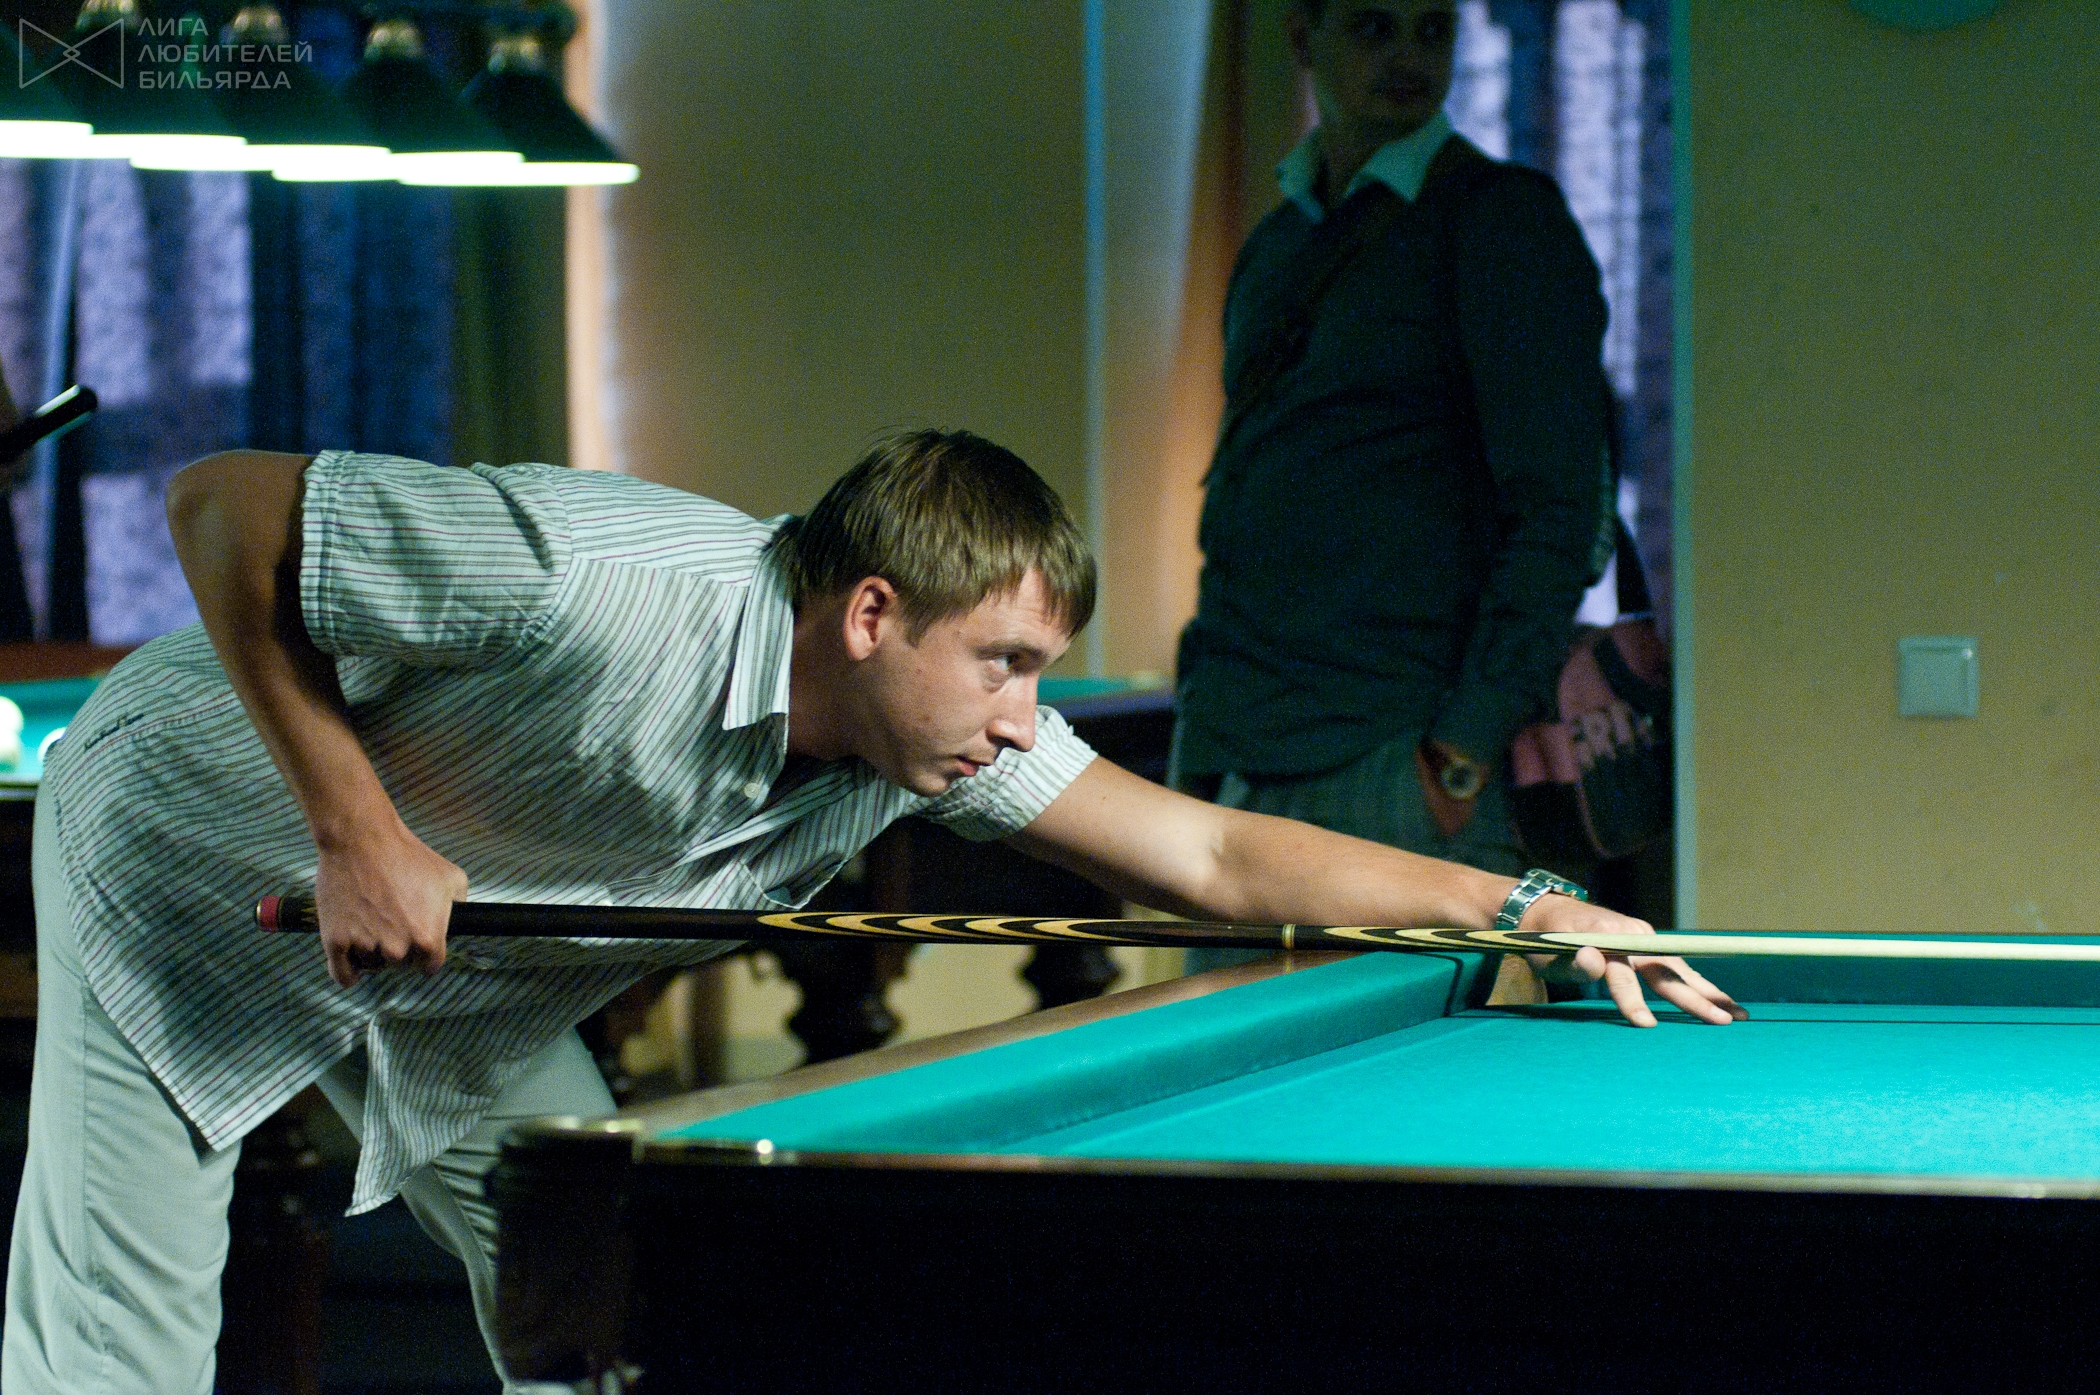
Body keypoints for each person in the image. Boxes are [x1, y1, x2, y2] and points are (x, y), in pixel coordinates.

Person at [3, 430, 1738, 1393]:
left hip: (470, 960)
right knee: (121, 1336)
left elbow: (1213, 861)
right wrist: (359, 828)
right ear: (871, 614)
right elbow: (222, 503)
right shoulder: (601, 580)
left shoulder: (934, 746)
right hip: (185, 849)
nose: (1022, 717)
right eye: (1003, 663)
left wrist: (1525, 901)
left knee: (600, 1295)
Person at [1172, 0, 1617, 973]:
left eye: (1432, 30)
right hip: (1246, 755)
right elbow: (1246, 492)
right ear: (1305, 40)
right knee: (1226, 1068)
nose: (1409, 55)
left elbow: (1563, 509)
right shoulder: (1278, 242)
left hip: (1401, 752)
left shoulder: (1500, 218)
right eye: (1375, 28)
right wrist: (1200, 742)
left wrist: (1462, 748)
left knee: (1419, 1065)